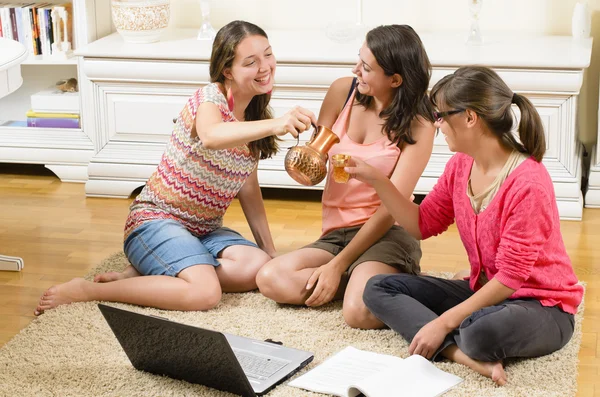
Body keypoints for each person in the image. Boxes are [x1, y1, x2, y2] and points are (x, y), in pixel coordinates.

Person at [34, 20, 317, 315]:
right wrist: (278, 123)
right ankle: (91, 290)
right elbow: (211, 135)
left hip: (203, 231)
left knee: (257, 266)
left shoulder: (251, 119)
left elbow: (248, 189)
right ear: (227, 70)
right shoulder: (209, 99)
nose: (265, 67)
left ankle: (155, 272)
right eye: (250, 62)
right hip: (155, 220)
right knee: (205, 293)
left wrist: (269, 251)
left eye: (268, 55)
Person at [348, 66, 582, 385]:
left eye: (441, 115)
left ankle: (456, 340)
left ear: (470, 117)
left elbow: (512, 278)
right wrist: (377, 179)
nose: (437, 124)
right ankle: (461, 355)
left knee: (478, 333)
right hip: (486, 290)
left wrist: (442, 322)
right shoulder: (460, 165)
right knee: (378, 286)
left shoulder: (528, 183)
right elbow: (422, 223)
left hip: (542, 305)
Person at [256, 25, 436, 329]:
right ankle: (363, 283)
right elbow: (314, 169)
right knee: (271, 278)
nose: (356, 70)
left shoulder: (419, 124)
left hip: (385, 232)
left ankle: (375, 284)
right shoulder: (343, 91)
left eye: (366, 68)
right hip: (336, 233)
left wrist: (336, 265)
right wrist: (303, 151)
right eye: (359, 60)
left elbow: (391, 209)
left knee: (357, 314)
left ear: (395, 79)